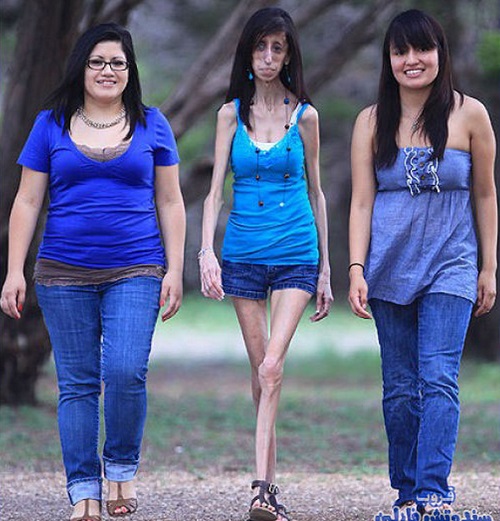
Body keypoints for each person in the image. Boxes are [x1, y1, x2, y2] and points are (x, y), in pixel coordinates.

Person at [0, 23, 185, 521]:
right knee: (78, 384)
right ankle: (84, 489)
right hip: (62, 273)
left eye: (118, 62)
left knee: (125, 370)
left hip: (137, 267)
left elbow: (170, 200)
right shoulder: (49, 124)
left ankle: (120, 469)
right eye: (97, 61)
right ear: (81, 67)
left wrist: (175, 269)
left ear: (130, 70)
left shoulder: (152, 124)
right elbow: (27, 200)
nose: (108, 70)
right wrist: (14, 270)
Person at [348, 9, 497, 514]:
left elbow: (485, 195)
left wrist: (488, 267)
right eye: (400, 51)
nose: (412, 60)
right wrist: (355, 268)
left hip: (452, 264)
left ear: (440, 53)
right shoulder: (371, 121)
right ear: (389, 59)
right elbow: (362, 202)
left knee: (438, 378)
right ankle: (407, 494)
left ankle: (434, 491)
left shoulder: (470, 114)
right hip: (388, 268)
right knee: (399, 388)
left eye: (422, 49)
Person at [199, 7, 333, 521]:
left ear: (290, 55)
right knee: (261, 377)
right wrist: (206, 252)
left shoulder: (307, 117)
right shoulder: (229, 115)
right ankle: (270, 492)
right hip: (243, 256)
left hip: (297, 251)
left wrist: (326, 270)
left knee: (273, 367)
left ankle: (259, 490)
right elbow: (214, 192)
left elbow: (318, 193)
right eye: (261, 47)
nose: (269, 57)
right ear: (248, 54)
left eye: (278, 48)